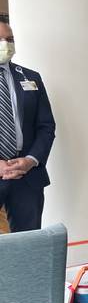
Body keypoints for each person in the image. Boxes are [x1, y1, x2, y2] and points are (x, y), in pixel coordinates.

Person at [0, 21, 56, 232]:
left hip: (27, 177)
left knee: (28, 247)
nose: (5, 44)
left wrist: (31, 160)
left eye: (10, 39)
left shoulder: (31, 77)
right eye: (0, 39)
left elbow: (46, 126)